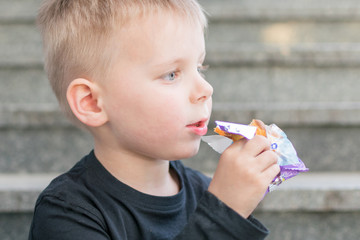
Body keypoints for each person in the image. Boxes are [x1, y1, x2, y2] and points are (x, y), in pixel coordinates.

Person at [29, 0, 280, 239]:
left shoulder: (206, 191)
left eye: (200, 68)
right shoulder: (68, 213)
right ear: (92, 103)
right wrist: (224, 213)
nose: (206, 89)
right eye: (171, 74)